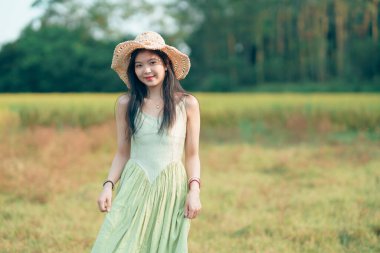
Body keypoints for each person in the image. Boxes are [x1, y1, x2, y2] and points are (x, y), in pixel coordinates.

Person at [91, 31, 202, 253]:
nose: (146, 70)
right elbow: (123, 152)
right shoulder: (126, 103)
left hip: (171, 187)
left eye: (152, 63)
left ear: (166, 64)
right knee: (116, 243)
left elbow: (192, 155)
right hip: (135, 183)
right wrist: (108, 186)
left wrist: (194, 191)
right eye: (139, 65)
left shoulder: (187, 104)